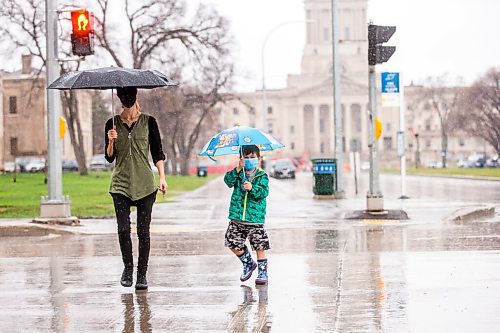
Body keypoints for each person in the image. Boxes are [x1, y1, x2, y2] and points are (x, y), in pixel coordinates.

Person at [105, 86, 167, 290]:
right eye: (124, 97)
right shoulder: (112, 123)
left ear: (135, 97)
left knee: (143, 231)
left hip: (145, 184)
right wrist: (110, 141)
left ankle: (142, 274)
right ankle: (128, 269)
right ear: (120, 100)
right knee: (123, 229)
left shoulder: (149, 122)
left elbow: (158, 153)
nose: (127, 100)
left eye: (130, 97)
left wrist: (162, 178)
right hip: (121, 183)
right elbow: (109, 157)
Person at [223, 145, 270, 285]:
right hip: (237, 217)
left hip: (254, 218)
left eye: (252, 157)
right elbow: (227, 181)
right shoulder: (238, 173)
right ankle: (248, 263)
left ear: (259, 159)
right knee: (231, 241)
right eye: (246, 158)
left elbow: (263, 193)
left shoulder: (262, 175)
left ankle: (262, 271)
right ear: (241, 159)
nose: (249, 160)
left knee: (259, 245)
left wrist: (252, 188)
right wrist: (237, 170)